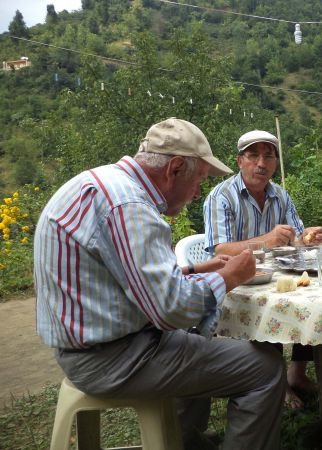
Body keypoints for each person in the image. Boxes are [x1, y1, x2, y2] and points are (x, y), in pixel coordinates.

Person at [34, 118, 286, 450]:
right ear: (175, 168)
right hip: (111, 359)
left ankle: (182, 440)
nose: (197, 193)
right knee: (265, 367)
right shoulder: (130, 206)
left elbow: (125, 274)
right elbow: (172, 310)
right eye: (197, 180)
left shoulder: (107, 184)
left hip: (89, 347)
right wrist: (229, 277)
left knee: (198, 338)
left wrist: (194, 268)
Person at [203, 129, 322, 409]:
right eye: (253, 155)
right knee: (268, 313)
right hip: (241, 282)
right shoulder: (221, 197)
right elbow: (219, 250)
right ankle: (277, 385)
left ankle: (297, 375)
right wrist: (266, 241)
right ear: (239, 160)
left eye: (268, 156)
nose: (262, 163)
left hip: (278, 275)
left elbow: (294, 236)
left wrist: (308, 238)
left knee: (314, 299)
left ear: (275, 163)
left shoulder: (280, 195)